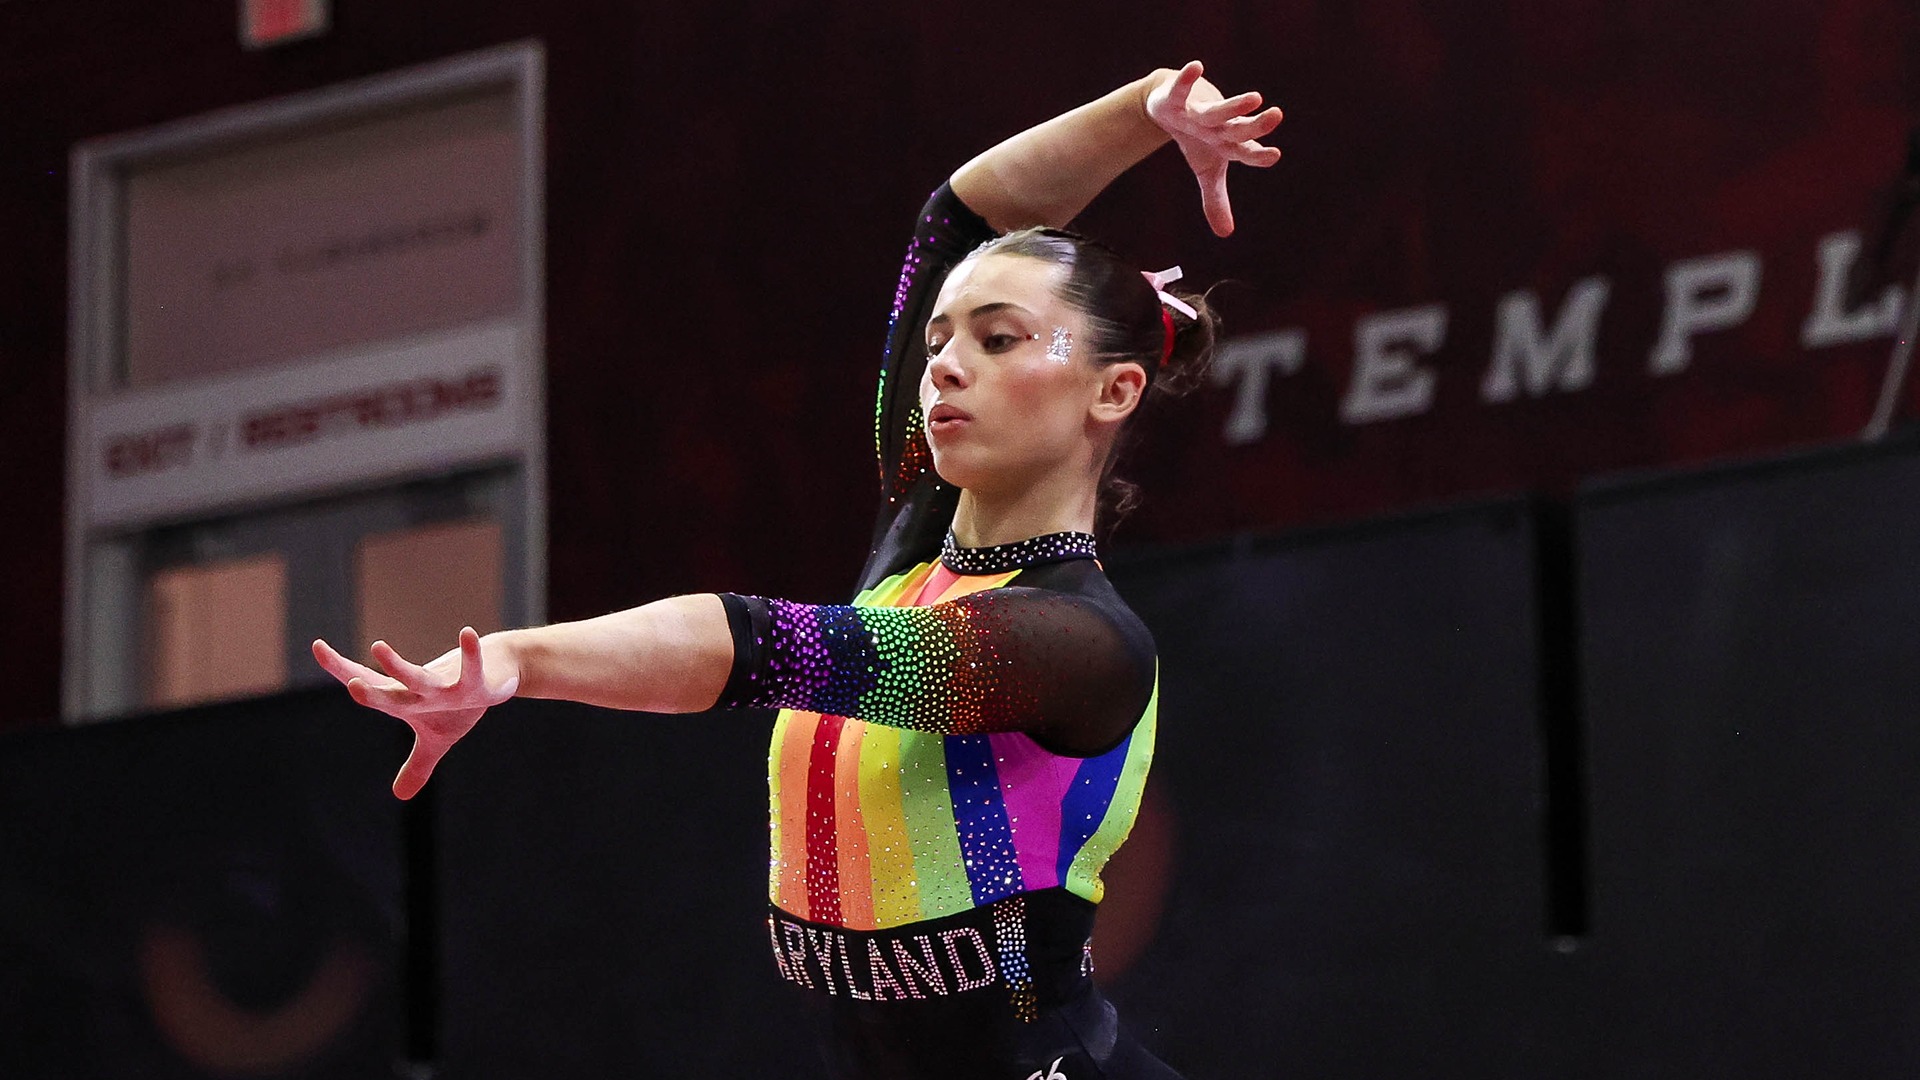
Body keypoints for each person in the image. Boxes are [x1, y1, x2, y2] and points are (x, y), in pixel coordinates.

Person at [315, 60, 1281, 1080]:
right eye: (942, 339)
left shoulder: (1081, 646)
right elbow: (957, 218)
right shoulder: (917, 543)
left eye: (1000, 341)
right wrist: (1142, 113)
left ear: (1116, 390)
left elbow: (769, 647)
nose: (945, 364)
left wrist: (521, 661)